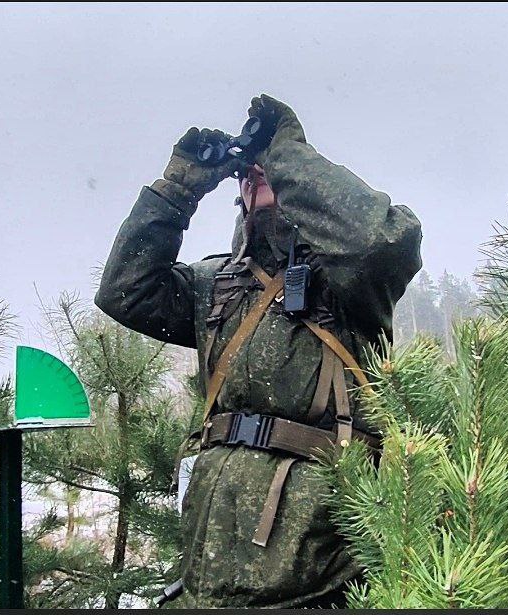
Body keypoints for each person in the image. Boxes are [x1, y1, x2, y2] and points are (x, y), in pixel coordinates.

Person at [95, 95, 423, 608]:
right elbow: (125, 291)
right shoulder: (216, 285)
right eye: (247, 175)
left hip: (316, 574)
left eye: (267, 170)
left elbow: (382, 241)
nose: (256, 176)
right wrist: (178, 189)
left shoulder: (349, 283)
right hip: (209, 572)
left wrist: (284, 152)